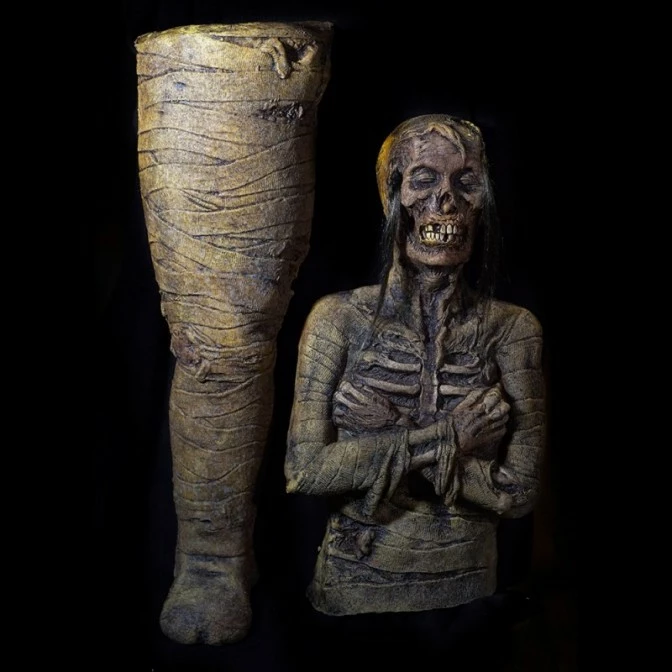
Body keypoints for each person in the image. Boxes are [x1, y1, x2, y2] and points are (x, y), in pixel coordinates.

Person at [285, 114, 545, 618]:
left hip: (468, 586)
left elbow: (520, 491)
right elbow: (304, 470)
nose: (446, 200)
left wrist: (389, 429)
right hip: (354, 579)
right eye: (424, 180)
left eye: (466, 183)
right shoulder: (338, 320)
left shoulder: (513, 330)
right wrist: (450, 438)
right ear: (393, 196)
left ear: (482, 202)